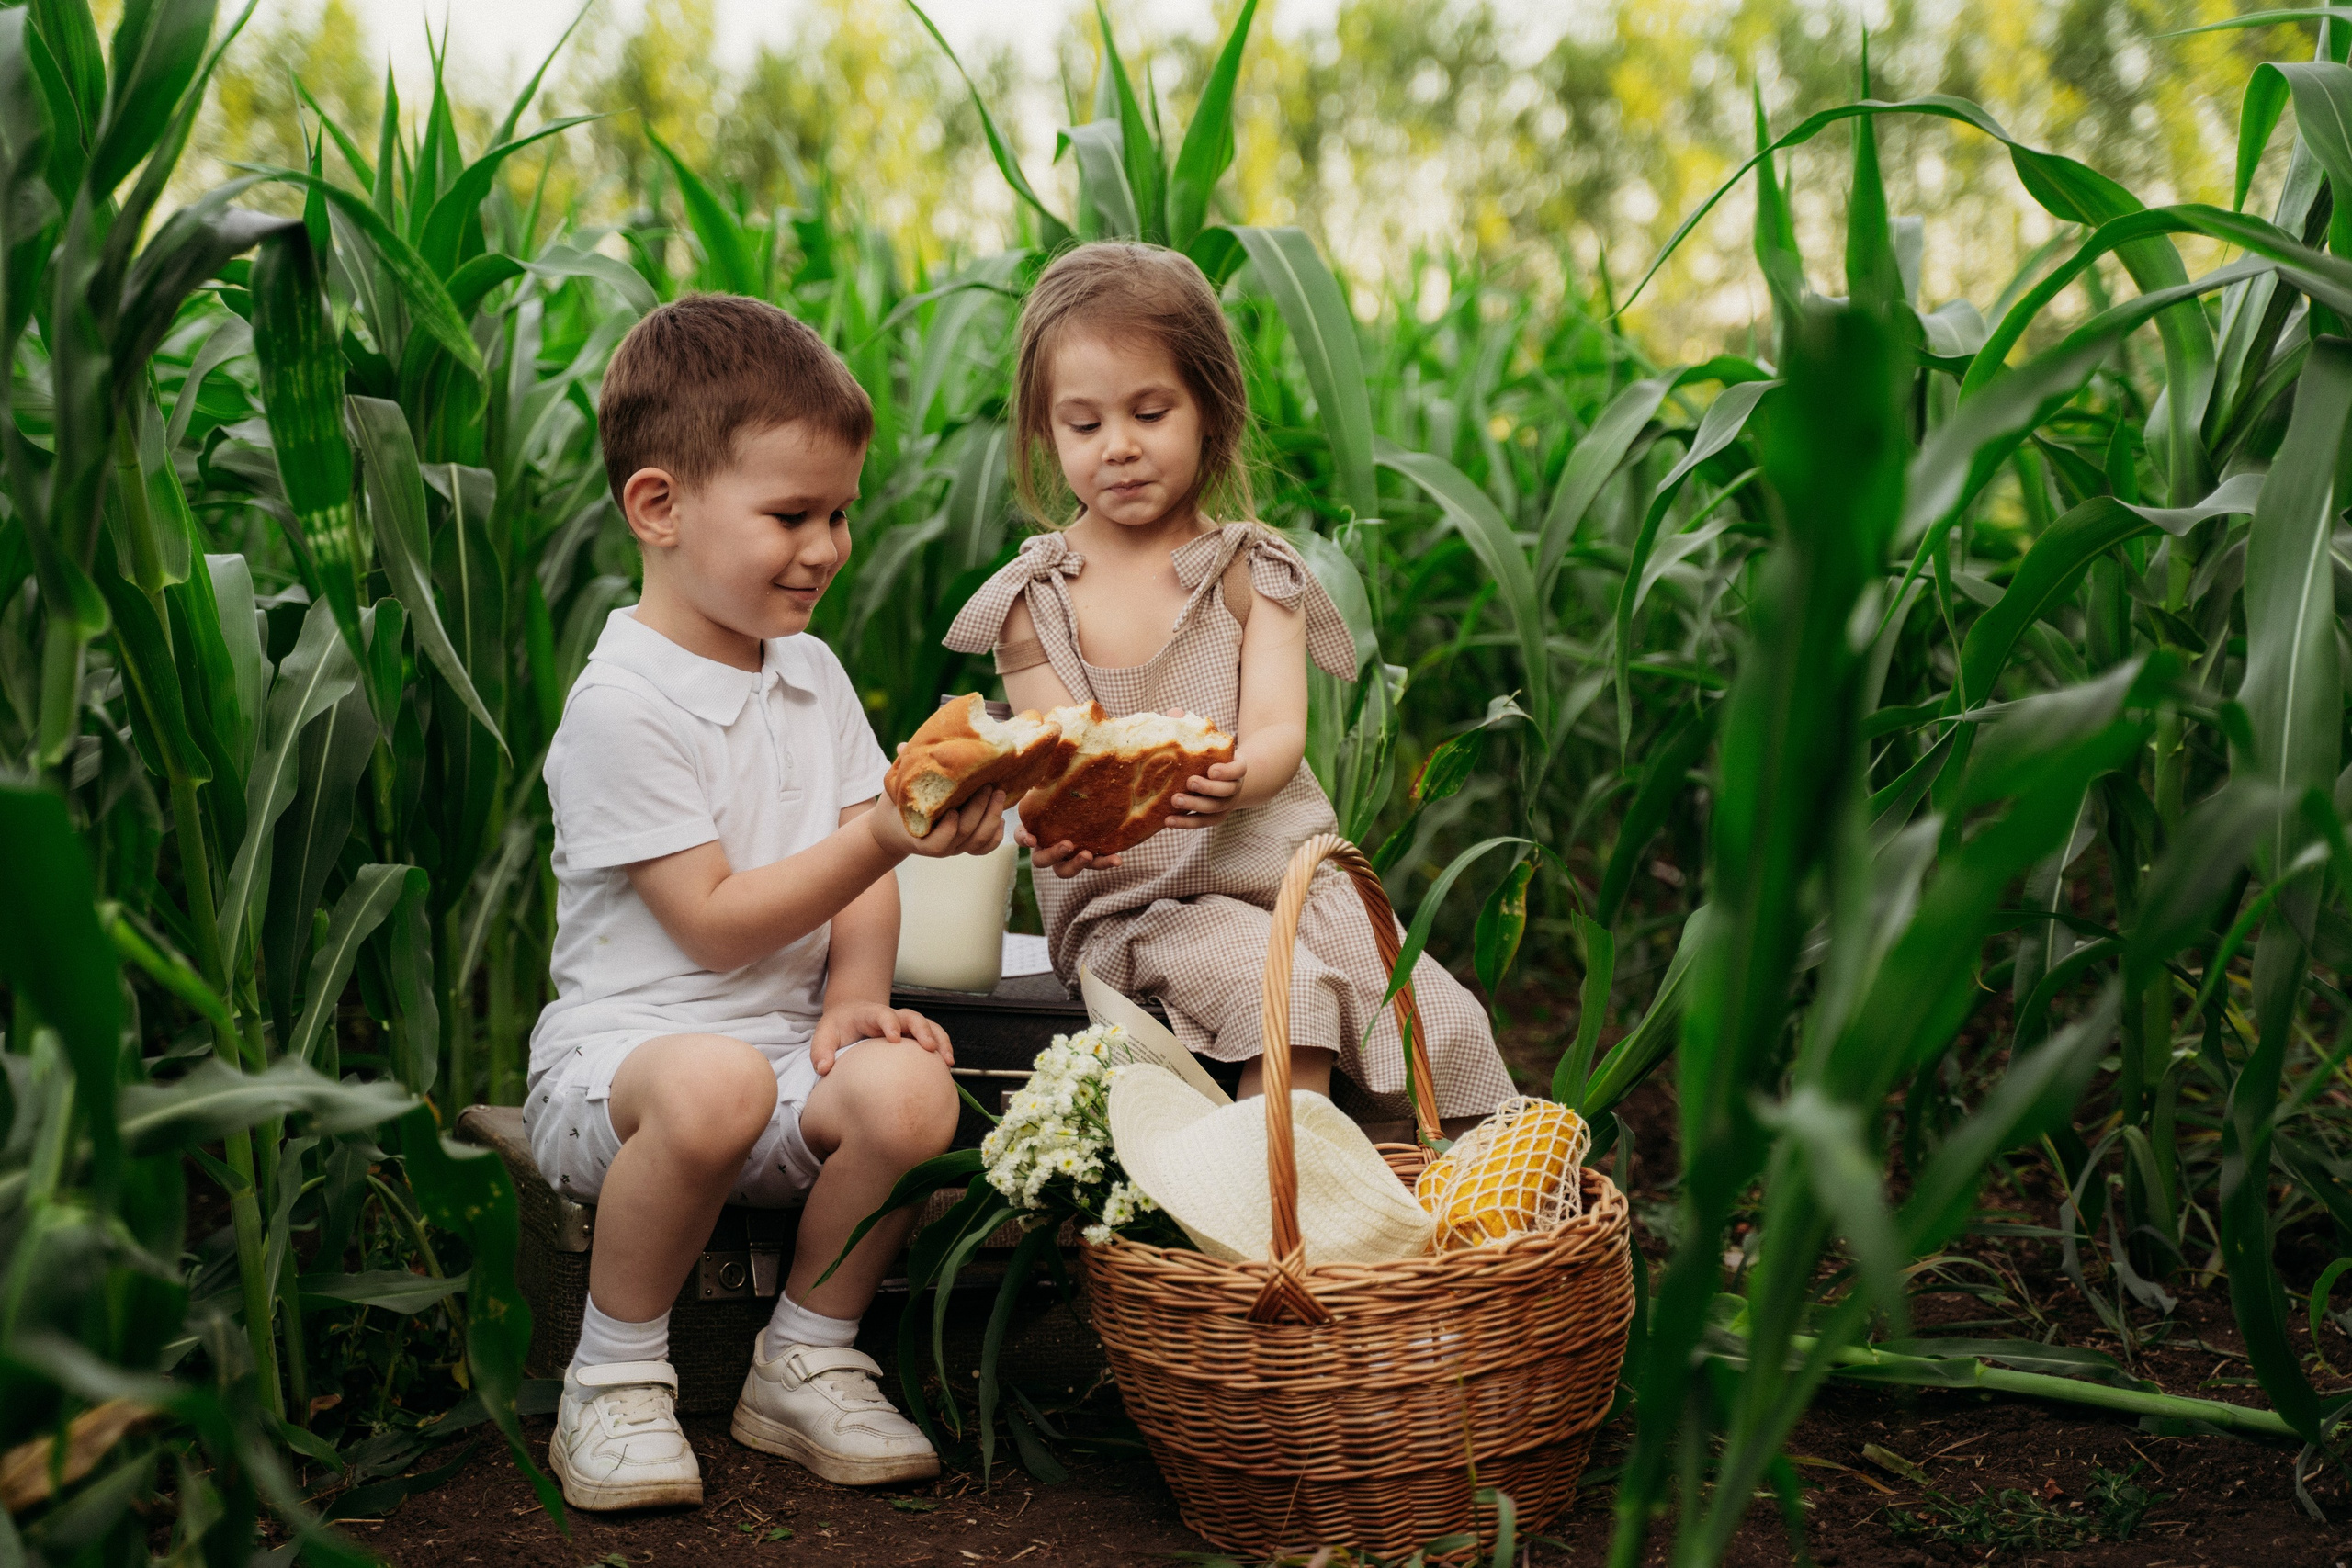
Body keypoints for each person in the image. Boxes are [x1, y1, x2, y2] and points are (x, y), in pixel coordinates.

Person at [526, 294, 1007, 1511]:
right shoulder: (624, 703)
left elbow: (862, 868)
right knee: (714, 1083)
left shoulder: (811, 669)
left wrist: (853, 998)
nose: (829, 545)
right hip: (620, 1071)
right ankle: (617, 1375)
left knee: (912, 1090)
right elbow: (717, 921)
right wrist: (892, 833)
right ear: (660, 507)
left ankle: (806, 1350)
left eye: (840, 512)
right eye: (792, 514)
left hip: (783, 1056)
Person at [944, 242, 1514, 1121]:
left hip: (1289, 882)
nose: (1120, 448)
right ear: (1047, 435)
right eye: (1085, 426)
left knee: (1441, 1024)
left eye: (1151, 412)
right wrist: (1059, 818)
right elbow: (1063, 756)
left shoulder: (1252, 571)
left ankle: (1457, 1218)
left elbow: (1279, 729)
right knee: (1279, 995)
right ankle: (1276, 1226)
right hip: (1139, 901)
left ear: (1210, 409)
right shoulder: (1035, 599)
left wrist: (1236, 777)